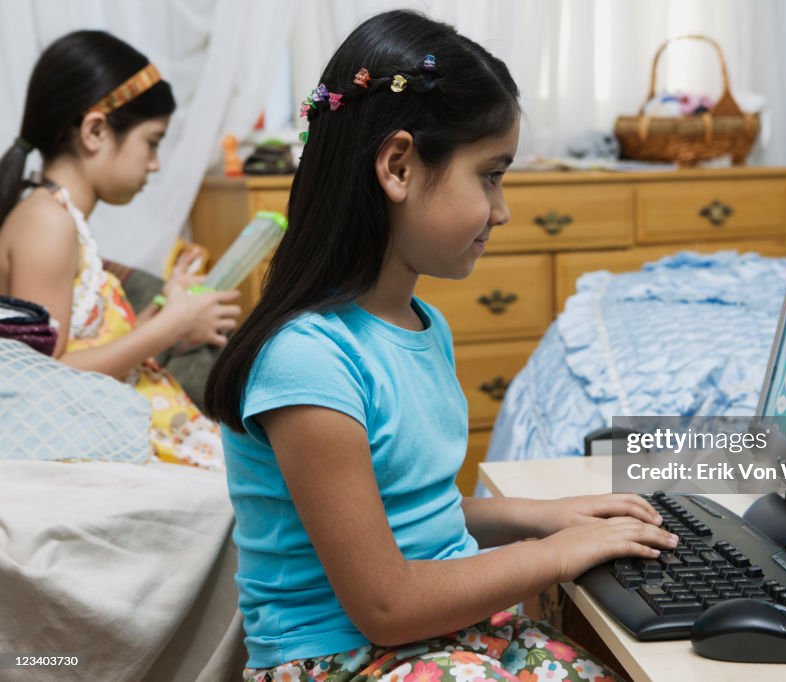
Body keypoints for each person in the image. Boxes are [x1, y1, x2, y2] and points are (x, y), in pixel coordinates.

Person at [204, 10, 678, 682]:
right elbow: (387, 605)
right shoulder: (307, 360)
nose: (503, 209)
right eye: (490, 174)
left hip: (443, 640)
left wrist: (541, 517)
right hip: (339, 659)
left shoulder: (423, 324)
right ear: (398, 165)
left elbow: (410, 514)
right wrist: (560, 551)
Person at [0, 30, 241, 468]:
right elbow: (45, 377)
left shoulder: (61, 219)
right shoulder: (46, 223)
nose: (154, 163)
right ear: (95, 131)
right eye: (151, 142)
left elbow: (85, 342)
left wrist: (170, 313)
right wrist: (167, 329)